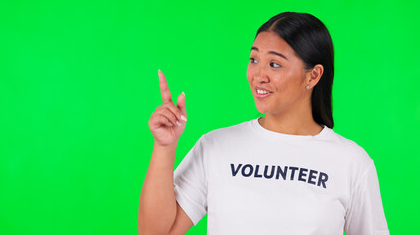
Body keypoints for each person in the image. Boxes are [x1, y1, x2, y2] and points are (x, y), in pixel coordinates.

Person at [139, 12, 390, 235]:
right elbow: (154, 232)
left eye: (274, 64)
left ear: (313, 75)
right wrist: (165, 147)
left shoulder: (352, 162)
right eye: (254, 60)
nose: (259, 76)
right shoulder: (215, 147)